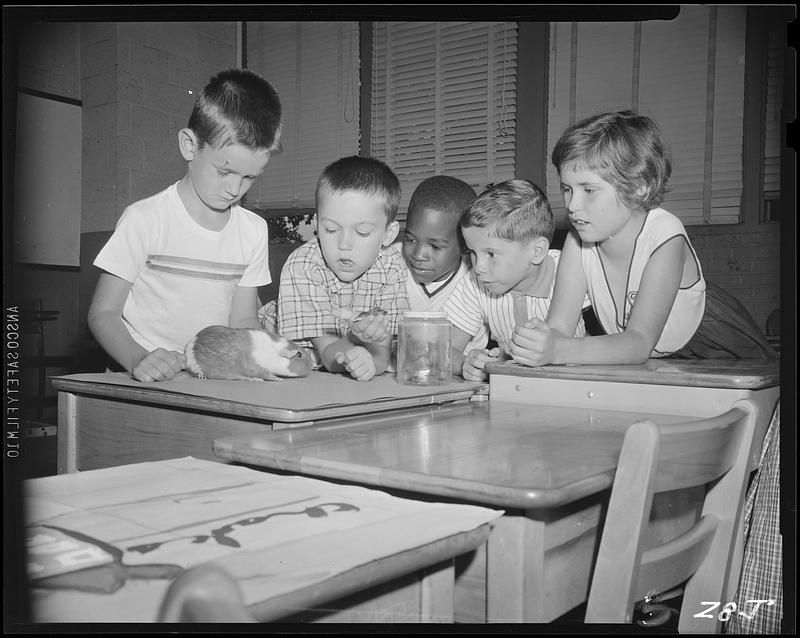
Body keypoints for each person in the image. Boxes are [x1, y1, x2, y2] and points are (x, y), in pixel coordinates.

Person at [508, 110, 776, 367]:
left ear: (639, 186)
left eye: (589, 190)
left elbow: (638, 342)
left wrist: (557, 349)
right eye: (567, 189)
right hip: (650, 362)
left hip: (717, 349)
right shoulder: (579, 239)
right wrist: (534, 343)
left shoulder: (665, 236)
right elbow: (559, 328)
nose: (572, 205)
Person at [88, 68, 282, 383]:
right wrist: (139, 358)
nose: (235, 189)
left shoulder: (253, 230)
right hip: (138, 375)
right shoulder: (145, 219)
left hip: (211, 379)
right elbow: (103, 314)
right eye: (224, 172)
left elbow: (244, 318)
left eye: (249, 177)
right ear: (190, 146)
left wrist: (262, 357)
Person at [276, 156, 409, 382]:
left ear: (388, 234)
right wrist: (357, 339)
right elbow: (328, 355)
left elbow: (382, 355)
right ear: (317, 224)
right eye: (330, 229)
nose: (344, 244)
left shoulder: (393, 268)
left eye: (362, 232)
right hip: (300, 373)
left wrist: (369, 364)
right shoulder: (304, 266)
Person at [443, 179, 586, 381]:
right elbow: (445, 349)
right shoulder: (475, 283)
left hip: (573, 387)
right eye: (473, 253)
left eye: (491, 254)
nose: (478, 267)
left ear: (537, 252)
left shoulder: (571, 268)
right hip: (512, 391)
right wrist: (466, 363)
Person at [389, 175, 488, 352]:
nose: (419, 255)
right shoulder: (389, 263)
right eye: (410, 240)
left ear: (466, 245)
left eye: (435, 246)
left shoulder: (477, 281)